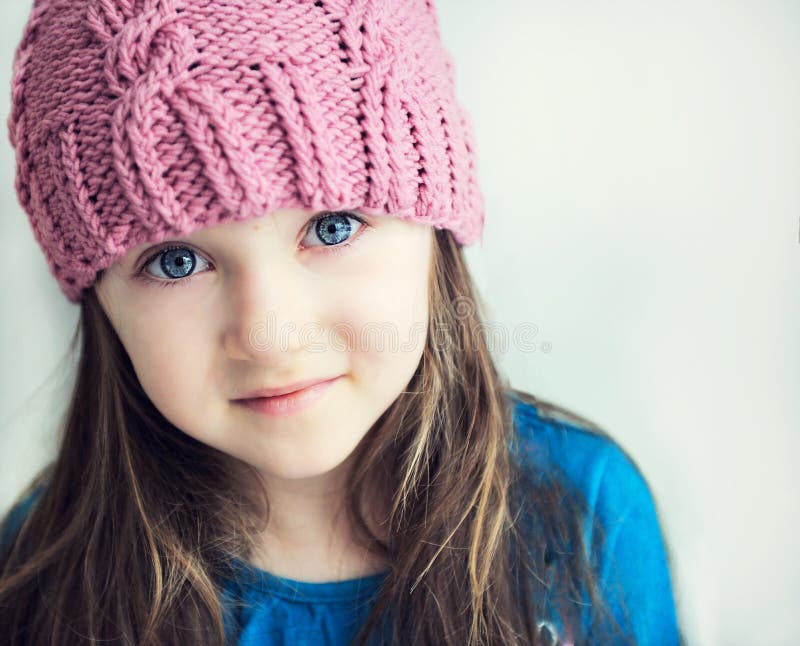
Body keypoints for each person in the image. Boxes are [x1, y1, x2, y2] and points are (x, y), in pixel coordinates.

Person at [0, 1, 682, 644]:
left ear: (433, 236)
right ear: (100, 300)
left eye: (331, 228)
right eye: (177, 262)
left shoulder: (581, 513)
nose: (270, 335)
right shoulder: (39, 580)